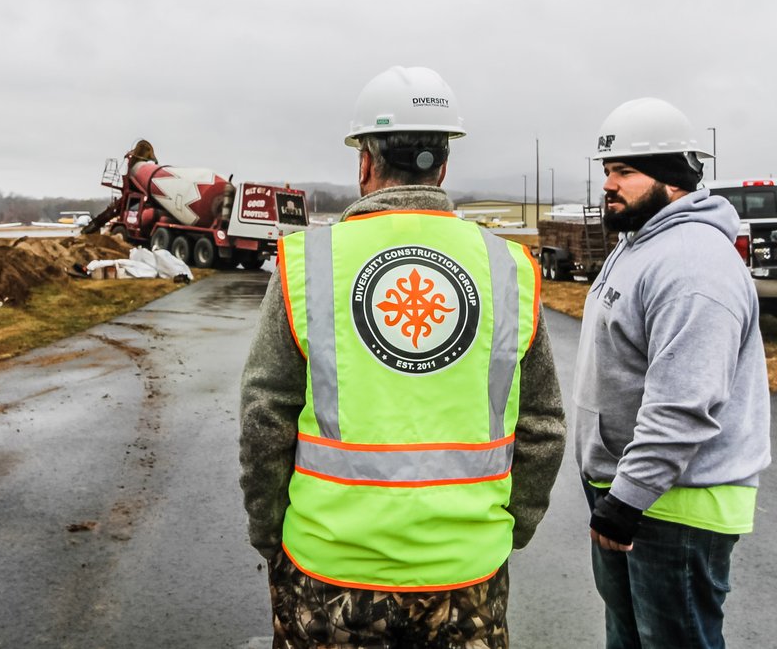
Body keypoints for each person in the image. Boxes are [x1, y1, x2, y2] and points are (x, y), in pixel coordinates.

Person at [239, 66, 567, 649]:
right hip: (466, 577)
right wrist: (506, 531)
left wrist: (271, 534)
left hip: (328, 571)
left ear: (365, 162)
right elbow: (542, 427)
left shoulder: (308, 260)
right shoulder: (507, 267)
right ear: (444, 164)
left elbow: (265, 420)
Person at [575, 97, 771, 649]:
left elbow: (684, 401)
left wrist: (628, 499)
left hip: (675, 505)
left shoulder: (692, 264)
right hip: (632, 495)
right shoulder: (642, 242)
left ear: (674, 179)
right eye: (607, 171)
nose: (609, 185)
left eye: (625, 172)